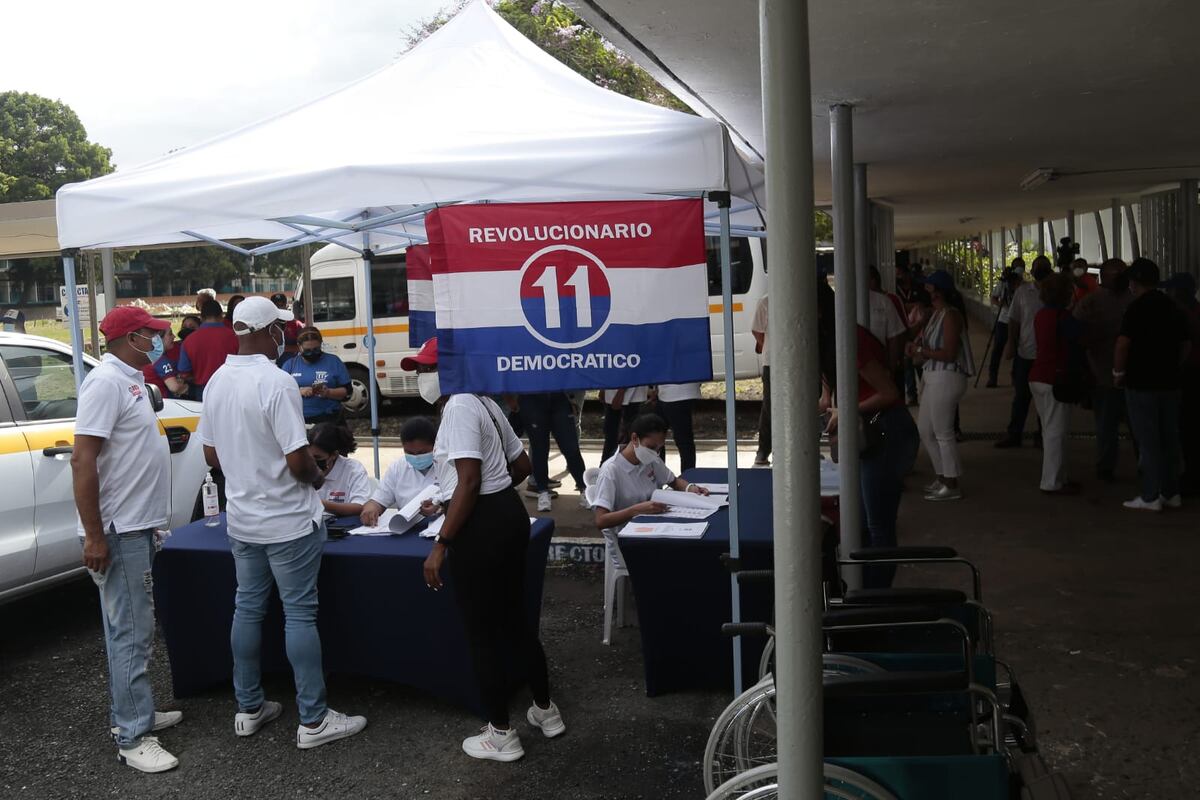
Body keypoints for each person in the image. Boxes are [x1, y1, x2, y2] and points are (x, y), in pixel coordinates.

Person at [198, 296, 367, 749]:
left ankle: (249, 707)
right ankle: (313, 720)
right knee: (299, 614)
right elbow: (298, 460)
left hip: (244, 520)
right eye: (282, 330)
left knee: (247, 609)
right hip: (289, 520)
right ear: (267, 330)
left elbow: (211, 454)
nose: (286, 337)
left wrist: (246, 468)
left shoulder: (216, 382)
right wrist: (315, 479)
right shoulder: (276, 382)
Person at [402, 337, 565, 762]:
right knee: (515, 620)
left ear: (451, 368)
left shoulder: (457, 407)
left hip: (482, 526)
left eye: (426, 369)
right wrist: (485, 495)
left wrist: (441, 542)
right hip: (508, 516)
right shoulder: (486, 402)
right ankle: (546, 712)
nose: (422, 377)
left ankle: (500, 733)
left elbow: (470, 479)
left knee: (482, 634)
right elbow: (523, 467)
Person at [70, 306, 181, 773]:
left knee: (133, 627)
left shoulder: (129, 378)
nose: (161, 341)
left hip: (134, 524)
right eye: (154, 334)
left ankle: (133, 712)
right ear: (133, 337)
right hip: (119, 530)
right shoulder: (106, 382)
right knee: (131, 631)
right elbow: (83, 460)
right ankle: (133, 734)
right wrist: (95, 534)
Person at [822, 313, 919, 588]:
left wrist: (846, 410)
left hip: (885, 430)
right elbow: (827, 397)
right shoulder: (827, 342)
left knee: (878, 525)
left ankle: (875, 596)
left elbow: (889, 393)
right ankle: (864, 590)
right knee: (861, 525)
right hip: (872, 431)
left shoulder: (849, 339)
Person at [1115, 259, 1190, 511]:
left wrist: (1118, 372)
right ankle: (1171, 492)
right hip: (1170, 382)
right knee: (1170, 437)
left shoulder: (1135, 309)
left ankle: (1150, 495)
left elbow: (1123, 344)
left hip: (1141, 383)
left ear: (1135, 283)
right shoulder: (1172, 306)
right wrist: (1174, 366)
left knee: (1148, 440)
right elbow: (1186, 344)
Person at [907, 270, 975, 501]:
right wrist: (917, 348)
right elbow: (925, 347)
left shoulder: (951, 315)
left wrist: (919, 350)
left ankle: (952, 483)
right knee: (925, 430)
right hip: (933, 376)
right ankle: (942, 476)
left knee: (943, 432)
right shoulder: (935, 314)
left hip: (947, 377)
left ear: (937, 291)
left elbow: (948, 353)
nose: (924, 291)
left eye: (928, 287)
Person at [591, 413, 711, 532]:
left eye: (659, 448)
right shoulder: (611, 471)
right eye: (651, 447)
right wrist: (635, 511)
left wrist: (691, 488)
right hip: (626, 539)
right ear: (634, 439)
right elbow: (601, 520)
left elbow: (674, 481)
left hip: (656, 527)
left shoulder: (651, 460)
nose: (655, 452)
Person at [1073, 259, 1131, 480]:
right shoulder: (1093, 301)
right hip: (1104, 374)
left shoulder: (1093, 301)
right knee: (1108, 425)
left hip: (1116, 374)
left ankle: (1109, 467)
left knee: (1111, 424)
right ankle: (1108, 466)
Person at [1029, 273, 1083, 495]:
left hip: (1038, 376)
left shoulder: (1041, 315)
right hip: (1055, 378)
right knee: (1056, 432)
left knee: (1050, 430)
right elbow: (1080, 338)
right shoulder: (1064, 317)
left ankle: (1059, 477)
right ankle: (1051, 482)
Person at [996, 256, 1053, 448]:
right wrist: (1011, 343)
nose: (1040, 270)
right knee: (1021, 396)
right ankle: (1014, 434)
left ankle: (1042, 434)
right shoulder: (1023, 291)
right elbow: (1014, 319)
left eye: (1043, 267)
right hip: (1025, 352)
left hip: (1047, 354)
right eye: (1037, 267)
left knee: (1045, 399)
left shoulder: (1057, 291)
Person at [359, 416, 440, 526]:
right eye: (410, 453)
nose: (416, 457)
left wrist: (441, 507)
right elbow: (378, 500)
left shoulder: (449, 465)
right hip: (405, 528)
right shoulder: (398, 467)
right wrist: (370, 510)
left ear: (436, 445)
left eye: (422, 453)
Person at [516, 392, 588, 512]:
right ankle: (543, 492)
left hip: (559, 397)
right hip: (532, 398)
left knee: (571, 448)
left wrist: (571, 397)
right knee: (539, 449)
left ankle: (584, 489)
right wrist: (511, 398)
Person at [1162, 272, 1200, 495]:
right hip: (1190, 373)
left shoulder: (1185, 314)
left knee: (1188, 428)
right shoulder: (1193, 311)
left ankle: (1192, 476)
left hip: (1191, 375)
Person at [280, 327, 352, 425]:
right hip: (299, 420)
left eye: (316, 349)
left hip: (329, 419)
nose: (312, 353)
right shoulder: (290, 365)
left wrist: (328, 392)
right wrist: (299, 392)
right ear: (299, 346)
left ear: (321, 344)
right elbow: (280, 393)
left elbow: (347, 391)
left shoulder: (333, 361)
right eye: (307, 350)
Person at [307, 423, 372, 517]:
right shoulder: (300, 467)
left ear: (334, 455)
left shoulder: (353, 470)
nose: (312, 462)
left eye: (318, 457)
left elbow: (359, 507)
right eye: (309, 457)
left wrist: (317, 503)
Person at [178, 298, 238, 398]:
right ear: (221, 315)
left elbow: (184, 373)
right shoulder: (235, 337)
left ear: (201, 317)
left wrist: (199, 377)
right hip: (231, 390)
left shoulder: (189, 341)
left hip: (203, 391)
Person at [986, 260, 1024, 388]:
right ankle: (992, 377)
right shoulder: (1003, 284)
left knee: (1020, 350)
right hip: (1003, 320)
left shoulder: (1024, 285)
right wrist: (1004, 306)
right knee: (998, 349)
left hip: (1019, 322)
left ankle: (1016, 376)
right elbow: (993, 298)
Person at [867, 265, 908, 375]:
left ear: (874, 280)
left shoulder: (888, 301)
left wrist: (894, 365)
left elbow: (899, 334)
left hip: (883, 363)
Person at [656, 382, 701, 473]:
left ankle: (687, 478)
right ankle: (688, 477)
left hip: (673, 393)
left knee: (682, 441)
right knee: (684, 442)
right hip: (681, 390)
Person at [600, 386, 647, 463]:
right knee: (612, 439)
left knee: (618, 441)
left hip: (628, 398)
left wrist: (621, 392)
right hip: (616, 395)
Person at [141, 326, 189, 398]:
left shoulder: (145, 355)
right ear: (158, 339)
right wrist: (187, 387)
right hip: (163, 403)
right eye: (170, 334)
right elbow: (174, 387)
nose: (174, 336)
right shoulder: (159, 359)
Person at [751, 294, 771, 465]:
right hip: (772, 361)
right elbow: (757, 330)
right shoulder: (765, 301)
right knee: (769, 407)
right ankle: (763, 449)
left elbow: (757, 331)